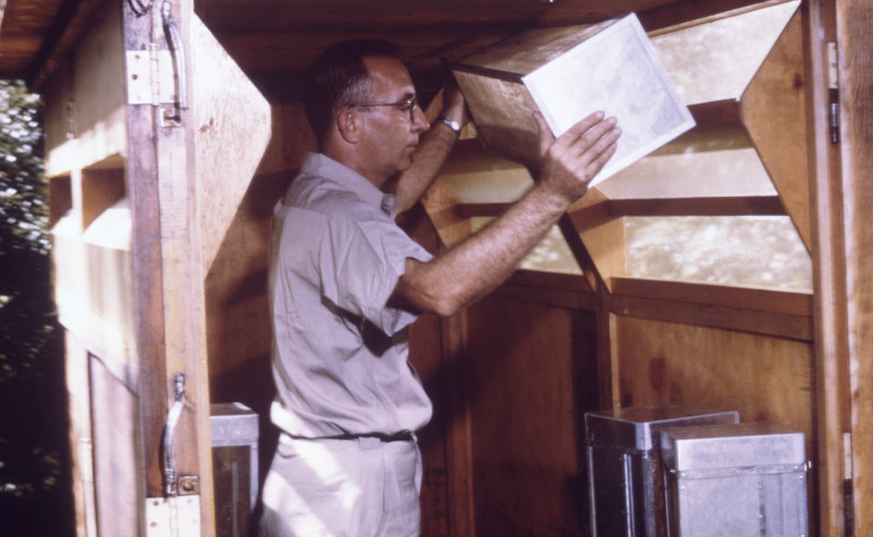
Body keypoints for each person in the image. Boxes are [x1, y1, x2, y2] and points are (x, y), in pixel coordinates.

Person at [259, 39, 620, 536]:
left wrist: (453, 116)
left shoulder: (318, 196)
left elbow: (395, 201)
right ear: (351, 122)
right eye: (406, 105)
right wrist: (554, 192)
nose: (418, 121)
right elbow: (437, 291)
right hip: (350, 483)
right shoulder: (340, 217)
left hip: (324, 470)